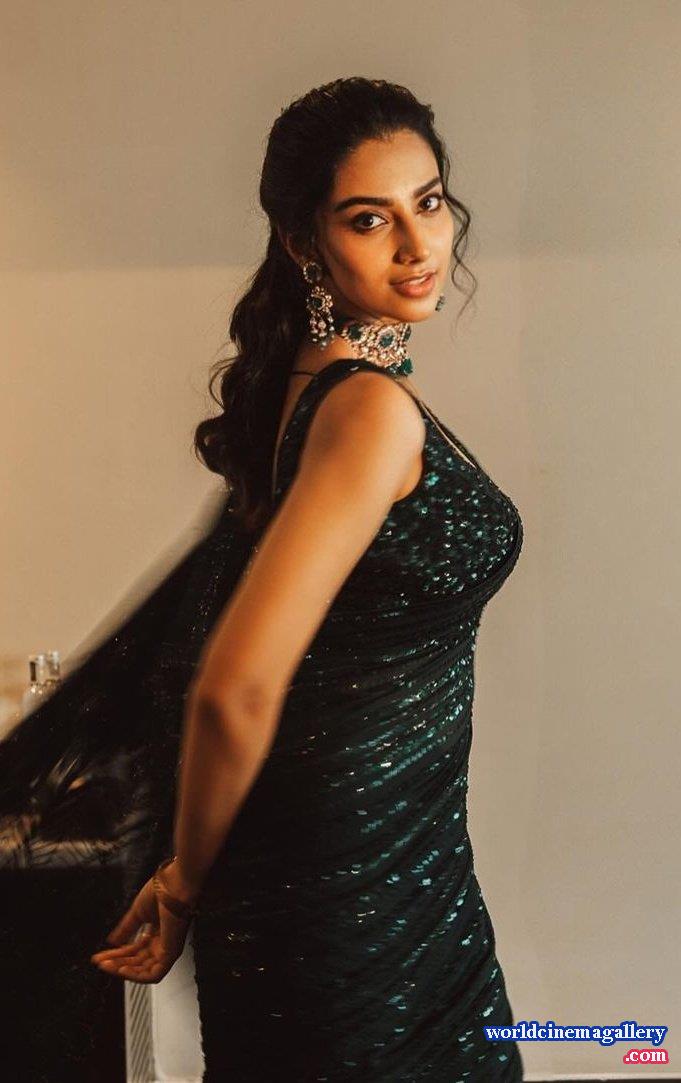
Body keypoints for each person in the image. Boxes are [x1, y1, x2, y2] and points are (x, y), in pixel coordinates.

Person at [17, 76, 525, 1080]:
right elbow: (235, 684)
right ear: (304, 243)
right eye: (369, 219)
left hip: (385, 861)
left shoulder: (311, 377)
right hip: (357, 888)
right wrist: (183, 883)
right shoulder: (368, 412)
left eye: (428, 203)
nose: (417, 245)